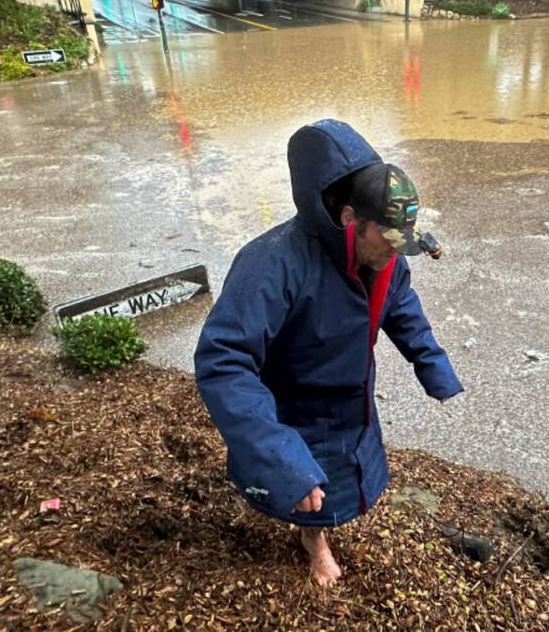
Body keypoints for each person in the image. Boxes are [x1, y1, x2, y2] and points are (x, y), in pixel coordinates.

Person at [194, 120, 463, 586]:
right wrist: (278, 456)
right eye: (389, 242)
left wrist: (432, 364)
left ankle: (319, 523)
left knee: (346, 478)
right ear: (349, 219)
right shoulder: (271, 264)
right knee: (308, 490)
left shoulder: (384, 257)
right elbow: (224, 363)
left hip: (351, 396)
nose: (396, 255)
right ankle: (314, 544)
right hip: (292, 405)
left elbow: (401, 307)